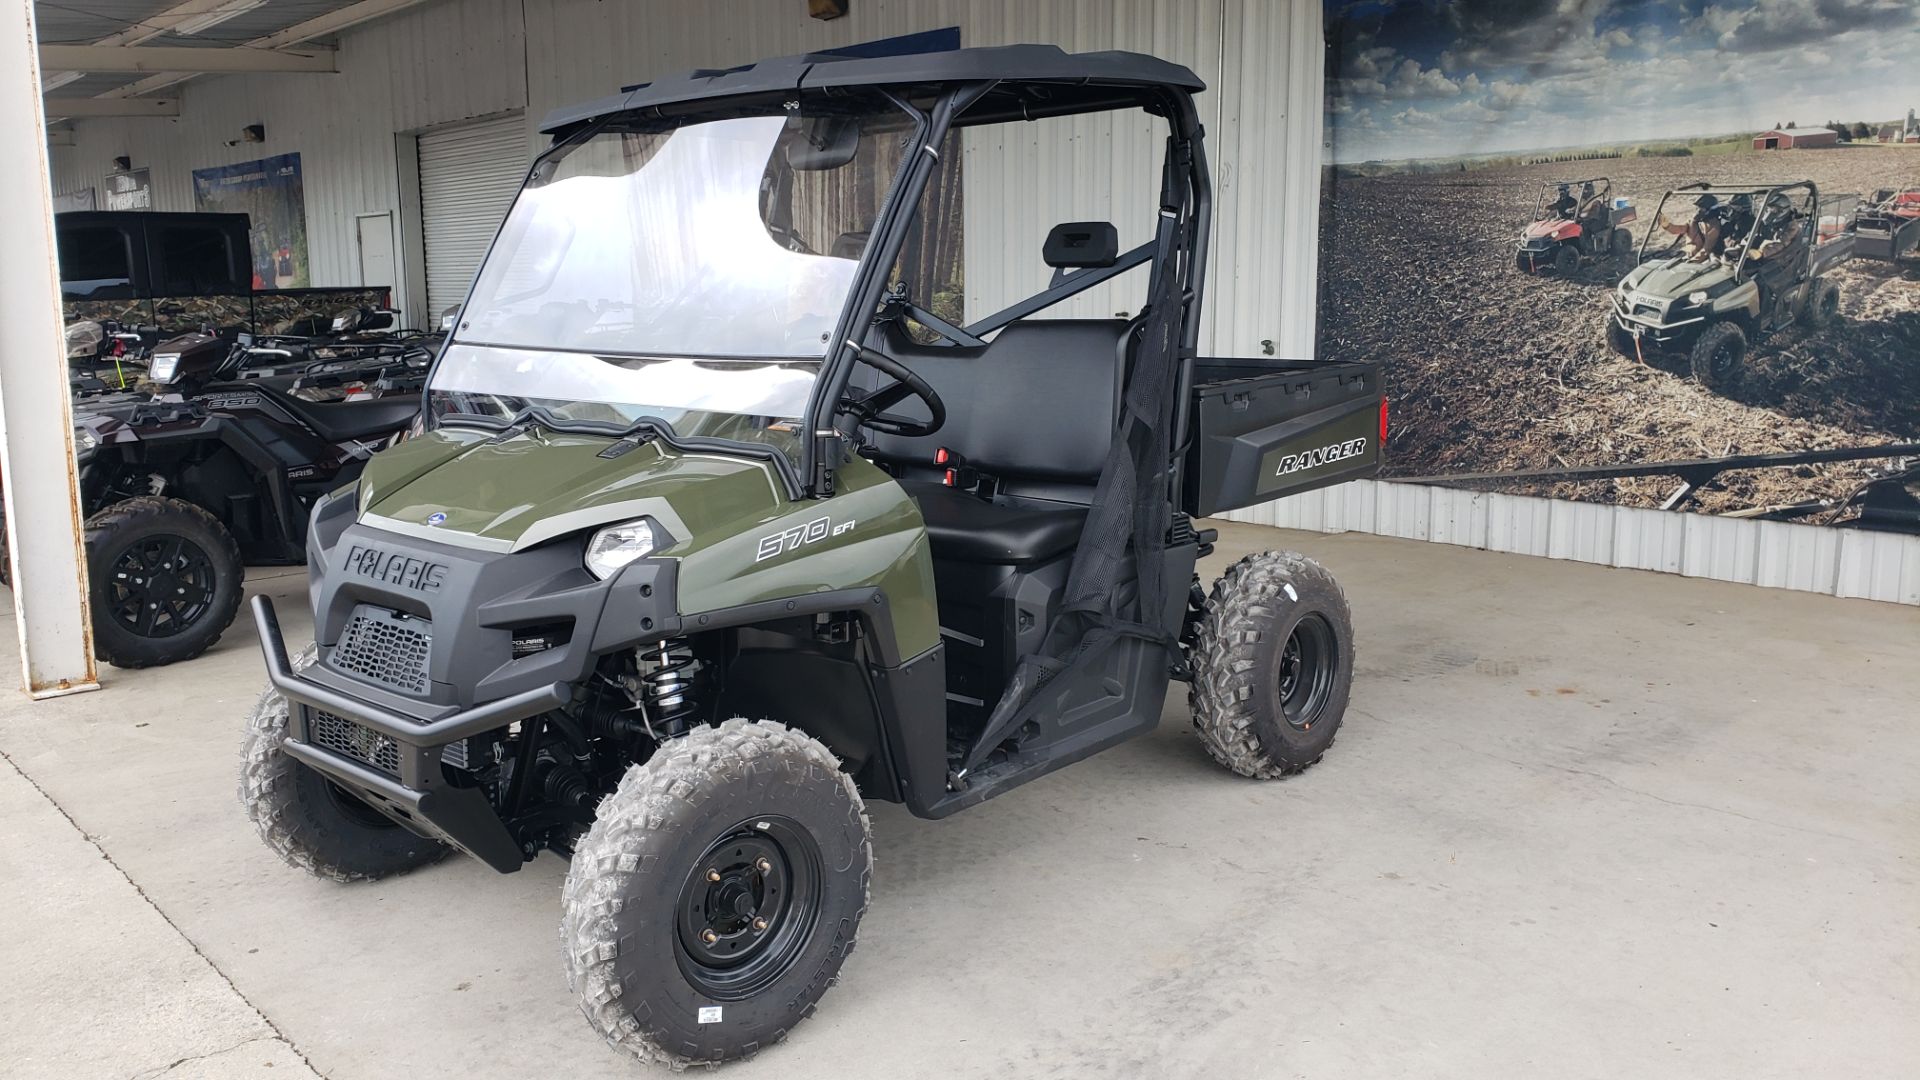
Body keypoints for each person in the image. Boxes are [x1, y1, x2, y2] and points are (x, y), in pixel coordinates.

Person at [1659, 193, 1727, 262]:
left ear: (1709, 210)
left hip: (1702, 260)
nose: (1698, 211)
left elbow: (1707, 249)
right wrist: (1666, 225)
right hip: (1687, 254)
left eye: (1701, 209)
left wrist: (1693, 260)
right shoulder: (1694, 221)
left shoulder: (1714, 225)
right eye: (1697, 208)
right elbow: (1679, 229)